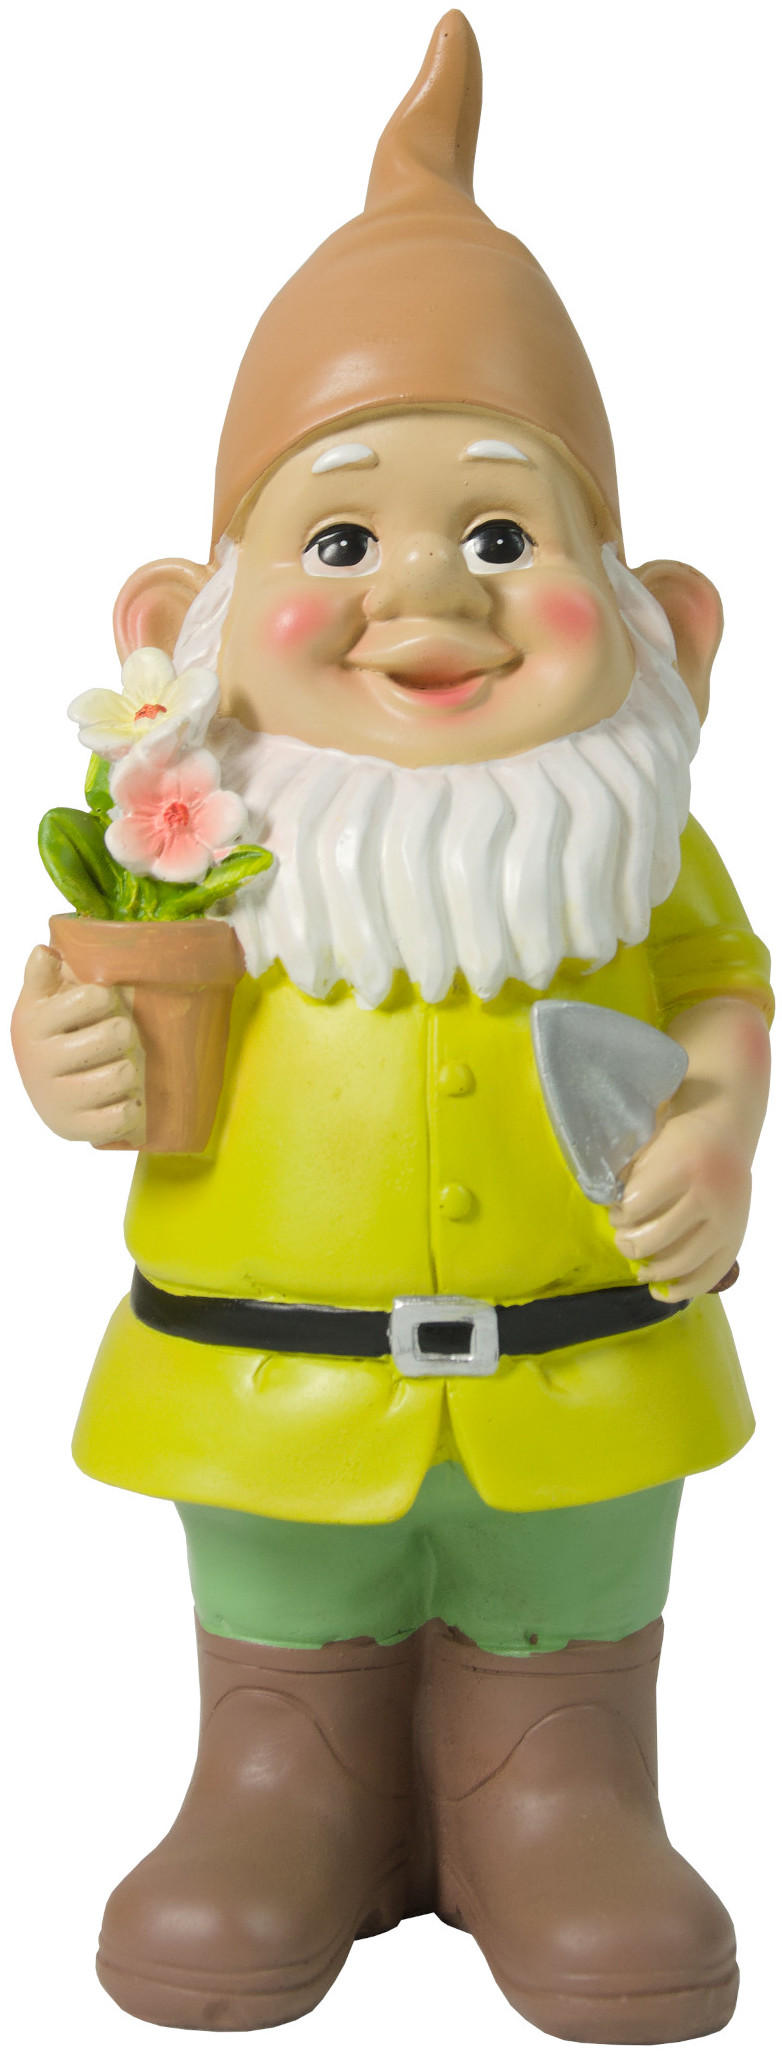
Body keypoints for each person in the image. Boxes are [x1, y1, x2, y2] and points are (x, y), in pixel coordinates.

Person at [11, 12, 772, 2044]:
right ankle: (282, 1779)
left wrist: (715, 1124)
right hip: (266, 1386)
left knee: (566, 1610)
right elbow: (97, 979)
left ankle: (560, 1792)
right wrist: (60, 1045)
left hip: (584, 1372)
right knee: (286, 1618)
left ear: (657, 620)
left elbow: (723, 984)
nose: (421, 596)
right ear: (178, 619)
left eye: (503, 536)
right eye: (338, 538)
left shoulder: (630, 837)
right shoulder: (194, 829)